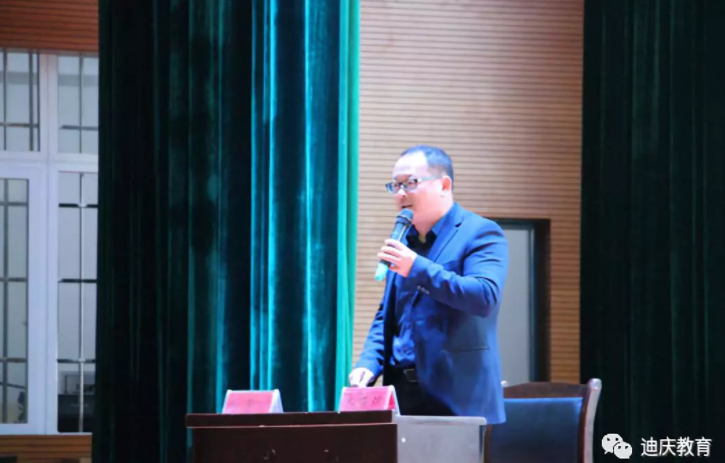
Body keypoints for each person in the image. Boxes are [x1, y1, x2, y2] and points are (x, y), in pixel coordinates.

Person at [348, 144, 509, 424]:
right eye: (395, 185)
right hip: (403, 396)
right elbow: (389, 315)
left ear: (444, 185)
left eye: (410, 183)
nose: (400, 194)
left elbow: (484, 296)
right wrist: (369, 363)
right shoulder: (405, 241)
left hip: (459, 400)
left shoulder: (481, 233)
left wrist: (416, 268)